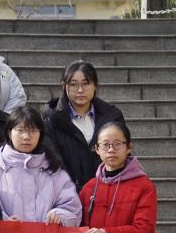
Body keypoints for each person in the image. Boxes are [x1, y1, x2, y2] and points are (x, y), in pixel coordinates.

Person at [44, 61, 127, 190]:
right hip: (66, 194)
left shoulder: (112, 116)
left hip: (108, 191)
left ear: (95, 86)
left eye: (86, 84)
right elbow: (52, 161)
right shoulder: (52, 119)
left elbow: (122, 154)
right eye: (73, 84)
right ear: (64, 86)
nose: (80, 90)